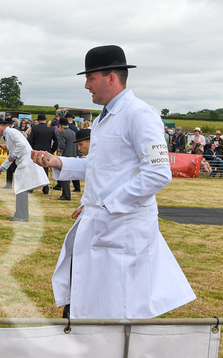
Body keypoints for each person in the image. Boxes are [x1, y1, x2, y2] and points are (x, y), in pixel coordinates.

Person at [31, 44, 195, 319]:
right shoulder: (102, 120)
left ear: (111, 78)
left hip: (122, 227)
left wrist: (107, 205)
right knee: (92, 303)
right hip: (103, 224)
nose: (86, 85)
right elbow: (100, 167)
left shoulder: (140, 114)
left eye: (90, 78)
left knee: (118, 307)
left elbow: (158, 173)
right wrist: (58, 162)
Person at [0, 118, 49, 221]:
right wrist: (2, 167)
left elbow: (21, 146)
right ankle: (19, 214)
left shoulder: (11, 132)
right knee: (20, 189)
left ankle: (22, 215)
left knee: (21, 189)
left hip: (25, 162)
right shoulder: (9, 134)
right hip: (23, 163)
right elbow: (12, 153)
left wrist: (13, 156)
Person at [27, 113, 58, 194]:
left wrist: (31, 149)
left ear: (38, 120)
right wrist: (52, 150)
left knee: (34, 170)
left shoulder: (34, 128)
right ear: (45, 120)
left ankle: (31, 188)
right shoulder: (51, 129)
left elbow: (30, 140)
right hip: (46, 151)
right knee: (45, 169)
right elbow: (56, 140)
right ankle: (45, 188)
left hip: (36, 151)